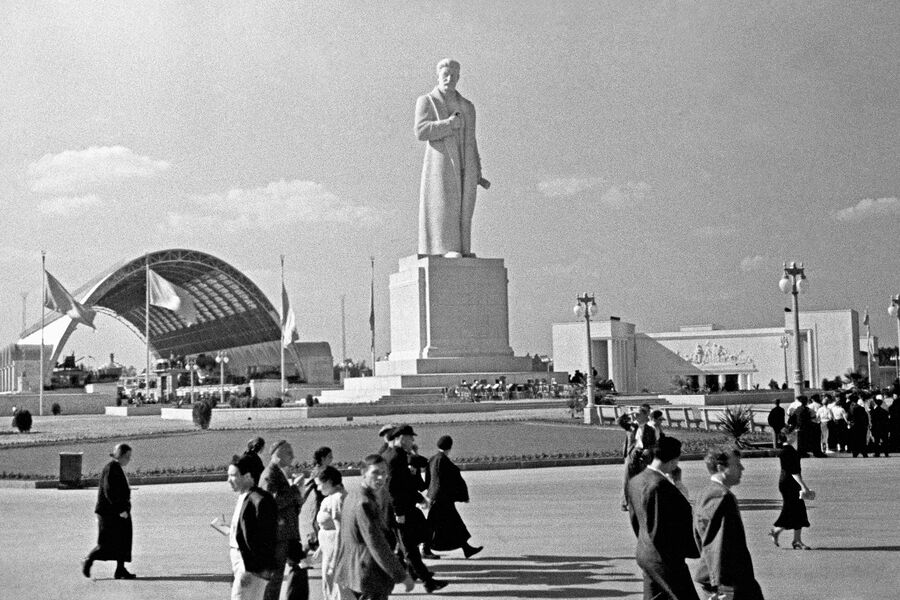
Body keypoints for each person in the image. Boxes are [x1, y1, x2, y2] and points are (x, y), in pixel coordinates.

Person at [415, 58, 489, 257]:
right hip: (441, 161)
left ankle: (463, 248)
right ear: (438, 76)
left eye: (453, 76)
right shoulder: (427, 101)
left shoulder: (467, 106)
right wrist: (448, 124)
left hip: (466, 162)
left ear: (458, 78)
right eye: (445, 75)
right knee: (444, 202)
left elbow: (472, 141)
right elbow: (421, 131)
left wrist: (478, 170)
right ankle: (444, 247)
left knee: (464, 209)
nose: (449, 79)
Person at [625, 436, 700, 600]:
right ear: (674, 460)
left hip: (645, 552)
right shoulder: (660, 486)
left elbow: (636, 520)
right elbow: (662, 527)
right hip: (664, 559)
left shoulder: (636, 480)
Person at [333, 455, 415, 600]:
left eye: (384, 473)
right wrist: (401, 575)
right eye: (375, 473)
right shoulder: (364, 503)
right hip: (369, 574)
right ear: (363, 473)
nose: (381, 478)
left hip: (354, 572)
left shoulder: (352, 496)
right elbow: (376, 543)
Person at [381, 425, 448, 593]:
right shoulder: (396, 457)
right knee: (409, 547)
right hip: (399, 510)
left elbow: (405, 484)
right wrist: (399, 513)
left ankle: (413, 571)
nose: (413, 441)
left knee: (416, 538)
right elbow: (393, 488)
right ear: (402, 438)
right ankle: (427, 581)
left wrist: (419, 498)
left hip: (403, 507)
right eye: (411, 438)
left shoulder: (395, 454)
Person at [694, 447, 765, 600]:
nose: (742, 468)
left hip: (717, 574)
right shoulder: (723, 496)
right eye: (737, 464)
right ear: (721, 468)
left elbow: (698, 535)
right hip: (729, 579)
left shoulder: (704, 493)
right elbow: (718, 543)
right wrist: (723, 586)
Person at [213, 454, 278, 600]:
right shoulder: (244, 496)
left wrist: (252, 569)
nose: (228, 480)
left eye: (233, 475)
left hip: (250, 567)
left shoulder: (259, 500)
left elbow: (267, 537)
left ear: (247, 476)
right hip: (240, 563)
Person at [259, 440, 308, 600]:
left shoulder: (277, 472)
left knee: (298, 567)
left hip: (286, 533)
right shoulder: (270, 474)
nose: (293, 456)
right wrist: (294, 490)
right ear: (277, 455)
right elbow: (271, 503)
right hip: (278, 536)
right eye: (289, 452)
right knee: (274, 580)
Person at [82, 443, 136, 580]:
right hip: (109, 513)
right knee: (106, 544)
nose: (129, 459)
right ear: (121, 456)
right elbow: (109, 492)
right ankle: (88, 559)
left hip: (118, 511)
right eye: (127, 456)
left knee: (123, 540)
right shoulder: (111, 468)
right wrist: (120, 510)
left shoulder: (116, 467)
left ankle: (120, 569)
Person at [425, 435, 483, 559]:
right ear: (450, 447)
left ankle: (466, 548)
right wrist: (463, 496)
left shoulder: (433, 459)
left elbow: (429, 478)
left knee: (450, 522)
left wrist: (430, 492)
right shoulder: (444, 460)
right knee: (438, 524)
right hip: (442, 499)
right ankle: (426, 549)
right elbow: (455, 478)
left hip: (436, 497)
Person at [769, 427, 814, 550]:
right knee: (792, 509)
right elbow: (794, 471)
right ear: (787, 436)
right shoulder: (788, 451)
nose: (795, 436)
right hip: (789, 482)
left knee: (796, 509)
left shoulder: (787, 450)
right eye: (793, 434)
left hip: (787, 481)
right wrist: (803, 486)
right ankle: (784, 534)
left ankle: (795, 539)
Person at [315, 466, 353, 600]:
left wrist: (335, 561)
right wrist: (321, 548)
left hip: (335, 552)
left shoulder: (338, 498)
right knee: (332, 589)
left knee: (339, 591)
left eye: (320, 485)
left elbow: (340, 531)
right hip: (329, 550)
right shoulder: (331, 497)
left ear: (329, 482)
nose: (318, 489)